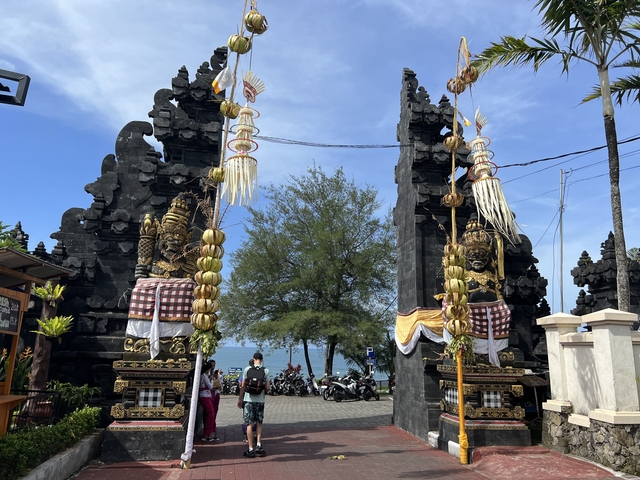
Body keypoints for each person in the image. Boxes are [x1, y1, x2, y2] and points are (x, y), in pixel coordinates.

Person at [237, 352, 270, 458]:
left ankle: (250, 449)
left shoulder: (247, 369)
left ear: (253, 359)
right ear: (262, 359)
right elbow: (268, 388)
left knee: (249, 424)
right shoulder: (266, 370)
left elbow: (242, 386)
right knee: (259, 423)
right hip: (260, 401)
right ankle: (259, 445)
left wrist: (240, 398)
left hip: (248, 400)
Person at [238, 359, 257, 443]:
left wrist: (240, 398)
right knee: (255, 418)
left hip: (246, 397)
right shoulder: (259, 371)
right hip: (257, 398)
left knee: (246, 418)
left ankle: (246, 437)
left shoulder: (246, 371)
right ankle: (254, 435)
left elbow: (240, 384)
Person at [198, 361, 217, 442]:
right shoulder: (204, 376)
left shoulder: (204, 376)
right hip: (205, 396)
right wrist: (212, 379)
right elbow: (210, 386)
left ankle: (208, 433)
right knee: (211, 414)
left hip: (204, 396)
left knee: (208, 414)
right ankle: (207, 434)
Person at [208, 360, 222, 441]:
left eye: (214, 365)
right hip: (210, 394)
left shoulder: (214, 374)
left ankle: (212, 432)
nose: (213, 367)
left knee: (214, 413)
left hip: (216, 394)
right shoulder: (207, 375)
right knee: (211, 414)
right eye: (211, 365)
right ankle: (210, 433)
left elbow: (219, 385)